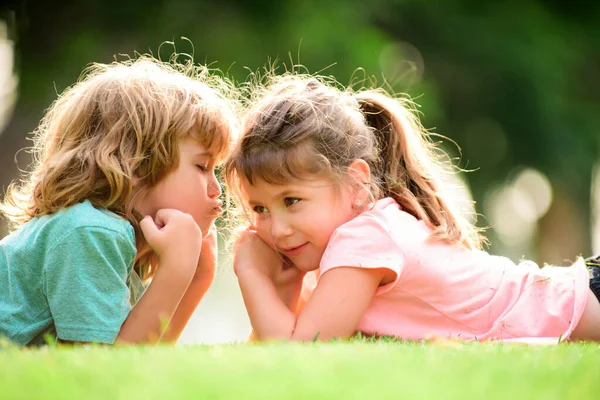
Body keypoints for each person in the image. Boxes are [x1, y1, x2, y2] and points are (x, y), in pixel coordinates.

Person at [224, 73, 600, 344]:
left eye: (291, 201)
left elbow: (297, 353)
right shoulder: (358, 239)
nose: (277, 229)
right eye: (259, 209)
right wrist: (285, 284)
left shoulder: (363, 240)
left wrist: (251, 272)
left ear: (356, 183)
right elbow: (272, 348)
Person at [0, 54, 238, 346]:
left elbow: (139, 359)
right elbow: (97, 369)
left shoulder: (124, 240)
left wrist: (197, 277)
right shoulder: (90, 231)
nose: (216, 189)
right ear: (136, 165)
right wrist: (176, 270)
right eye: (202, 167)